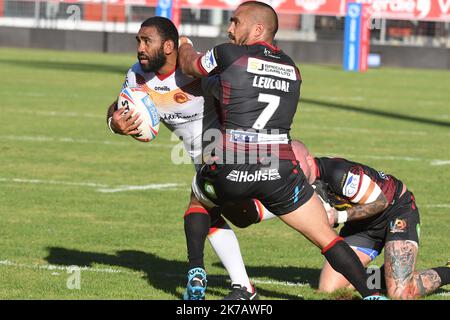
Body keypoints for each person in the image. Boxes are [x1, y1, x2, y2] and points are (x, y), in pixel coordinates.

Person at [178, 1, 386, 300]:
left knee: (199, 201)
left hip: (233, 165)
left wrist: (185, 44)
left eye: (235, 22)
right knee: (326, 239)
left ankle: (197, 270)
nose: (229, 28)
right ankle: (372, 295)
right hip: (280, 171)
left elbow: (190, 65)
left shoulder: (228, 53)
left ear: (258, 28)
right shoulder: (292, 68)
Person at [106, 16, 274, 300]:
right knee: (238, 215)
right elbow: (118, 105)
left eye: (147, 41)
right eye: (138, 41)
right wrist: (114, 123)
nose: (140, 48)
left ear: (169, 46)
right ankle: (245, 286)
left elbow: (239, 99)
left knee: (202, 207)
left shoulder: (194, 71)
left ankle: (202, 273)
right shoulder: (136, 76)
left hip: (228, 150)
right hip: (201, 159)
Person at [290, 140, 450, 299]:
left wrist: (339, 216)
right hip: (361, 225)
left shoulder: (339, 174)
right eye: (289, 166)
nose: (293, 170)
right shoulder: (297, 182)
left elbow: (381, 202)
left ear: (309, 161)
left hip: (396, 213)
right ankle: (386, 274)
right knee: (329, 289)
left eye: (296, 164)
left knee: (400, 294)